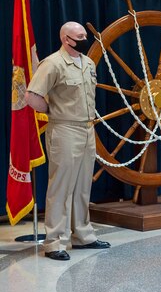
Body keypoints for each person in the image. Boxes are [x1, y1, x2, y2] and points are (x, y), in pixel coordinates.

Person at [25, 21, 110, 261]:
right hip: (64, 130)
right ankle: (54, 242)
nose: (85, 39)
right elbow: (31, 96)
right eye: (80, 36)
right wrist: (52, 111)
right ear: (66, 39)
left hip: (87, 129)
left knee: (83, 186)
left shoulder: (89, 63)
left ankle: (83, 235)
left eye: (85, 35)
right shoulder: (53, 63)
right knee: (61, 187)